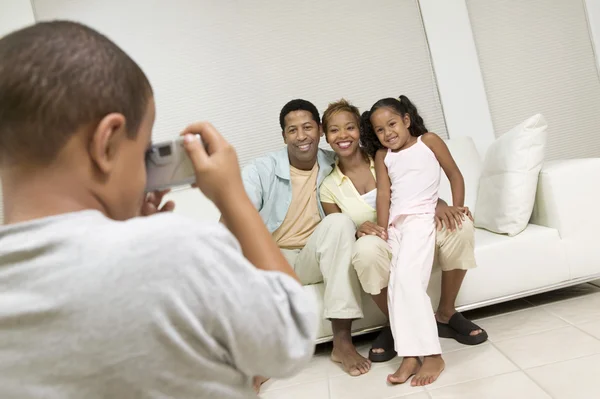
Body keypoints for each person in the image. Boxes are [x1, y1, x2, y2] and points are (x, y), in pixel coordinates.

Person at [0, 21, 317, 399]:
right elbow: (292, 336)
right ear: (107, 143)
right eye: (144, 149)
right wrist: (234, 199)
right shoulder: (176, 248)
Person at [319, 98, 486, 386]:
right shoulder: (383, 156)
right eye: (380, 130)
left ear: (407, 120)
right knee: (397, 285)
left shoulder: (429, 141)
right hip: (397, 225)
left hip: (422, 220)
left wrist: (454, 206)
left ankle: (433, 354)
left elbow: (454, 174)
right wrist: (383, 230)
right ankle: (410, 355)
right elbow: (385, 196)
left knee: (409, 280)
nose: (387, 133)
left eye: (392, 124)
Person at [236, 99, 372, 379]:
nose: (301, 137)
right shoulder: (260, 169)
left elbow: (387, 175)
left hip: (315, 256)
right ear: (283, 135)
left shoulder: (335, 160)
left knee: (338, 222)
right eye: (292, 130)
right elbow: (237, 214)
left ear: (320, 130)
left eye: (308, 127)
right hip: (275, 257)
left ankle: (342, 343)